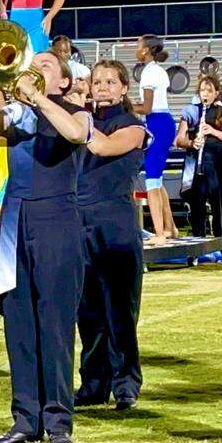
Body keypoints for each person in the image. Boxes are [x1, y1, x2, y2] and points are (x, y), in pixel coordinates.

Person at [0, 51, 90, 443]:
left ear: (64, 81)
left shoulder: (75, 112)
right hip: (15, 219)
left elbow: (74, 134)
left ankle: (58, 422)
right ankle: (25, 420)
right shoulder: (16, 119)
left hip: (57, 219)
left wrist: (38, 97)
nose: (35, 67)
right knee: (18, 324)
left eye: (46, 65)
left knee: (55, 323)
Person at [73, 60, 146, 411]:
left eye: (110, 82)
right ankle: (93, 383)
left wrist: (76, 116)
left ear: (123, 88)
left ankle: (126, 383)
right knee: (87, 310)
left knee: (119, 308)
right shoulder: (82, 119)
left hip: (115, 222)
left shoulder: (133, 125)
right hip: (80, 219)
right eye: (97, 81)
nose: (102, 87)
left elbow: (102, 147)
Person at [175, 75, 222, 247]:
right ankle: (199, 242)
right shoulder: (191, 111)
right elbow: (178, 140)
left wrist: (213, 131)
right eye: (202, 90)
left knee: (219, 203)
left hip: (217, 162)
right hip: (195, 160)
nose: (205, 94)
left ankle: (221, 243)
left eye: (209, 91)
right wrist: (191, 143)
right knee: (197, 203)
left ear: (216, 93)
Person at [131, 34, 177, 245]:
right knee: (157, 179)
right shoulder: (158, 70)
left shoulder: (149, 73)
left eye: (138, 46)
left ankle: (159, 234)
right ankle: (169, 227)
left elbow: (147, 108)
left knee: (151, 177)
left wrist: (126, 106)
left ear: (146, 50)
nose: (136, 50)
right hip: (163, 122)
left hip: (157, 123)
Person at [51, 36, 91, 101]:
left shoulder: (81, 69)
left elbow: (90, 90)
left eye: (66, 51)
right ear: (52, 51)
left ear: (70, 53)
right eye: (58, 51)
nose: (62, 54)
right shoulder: (45, 70)